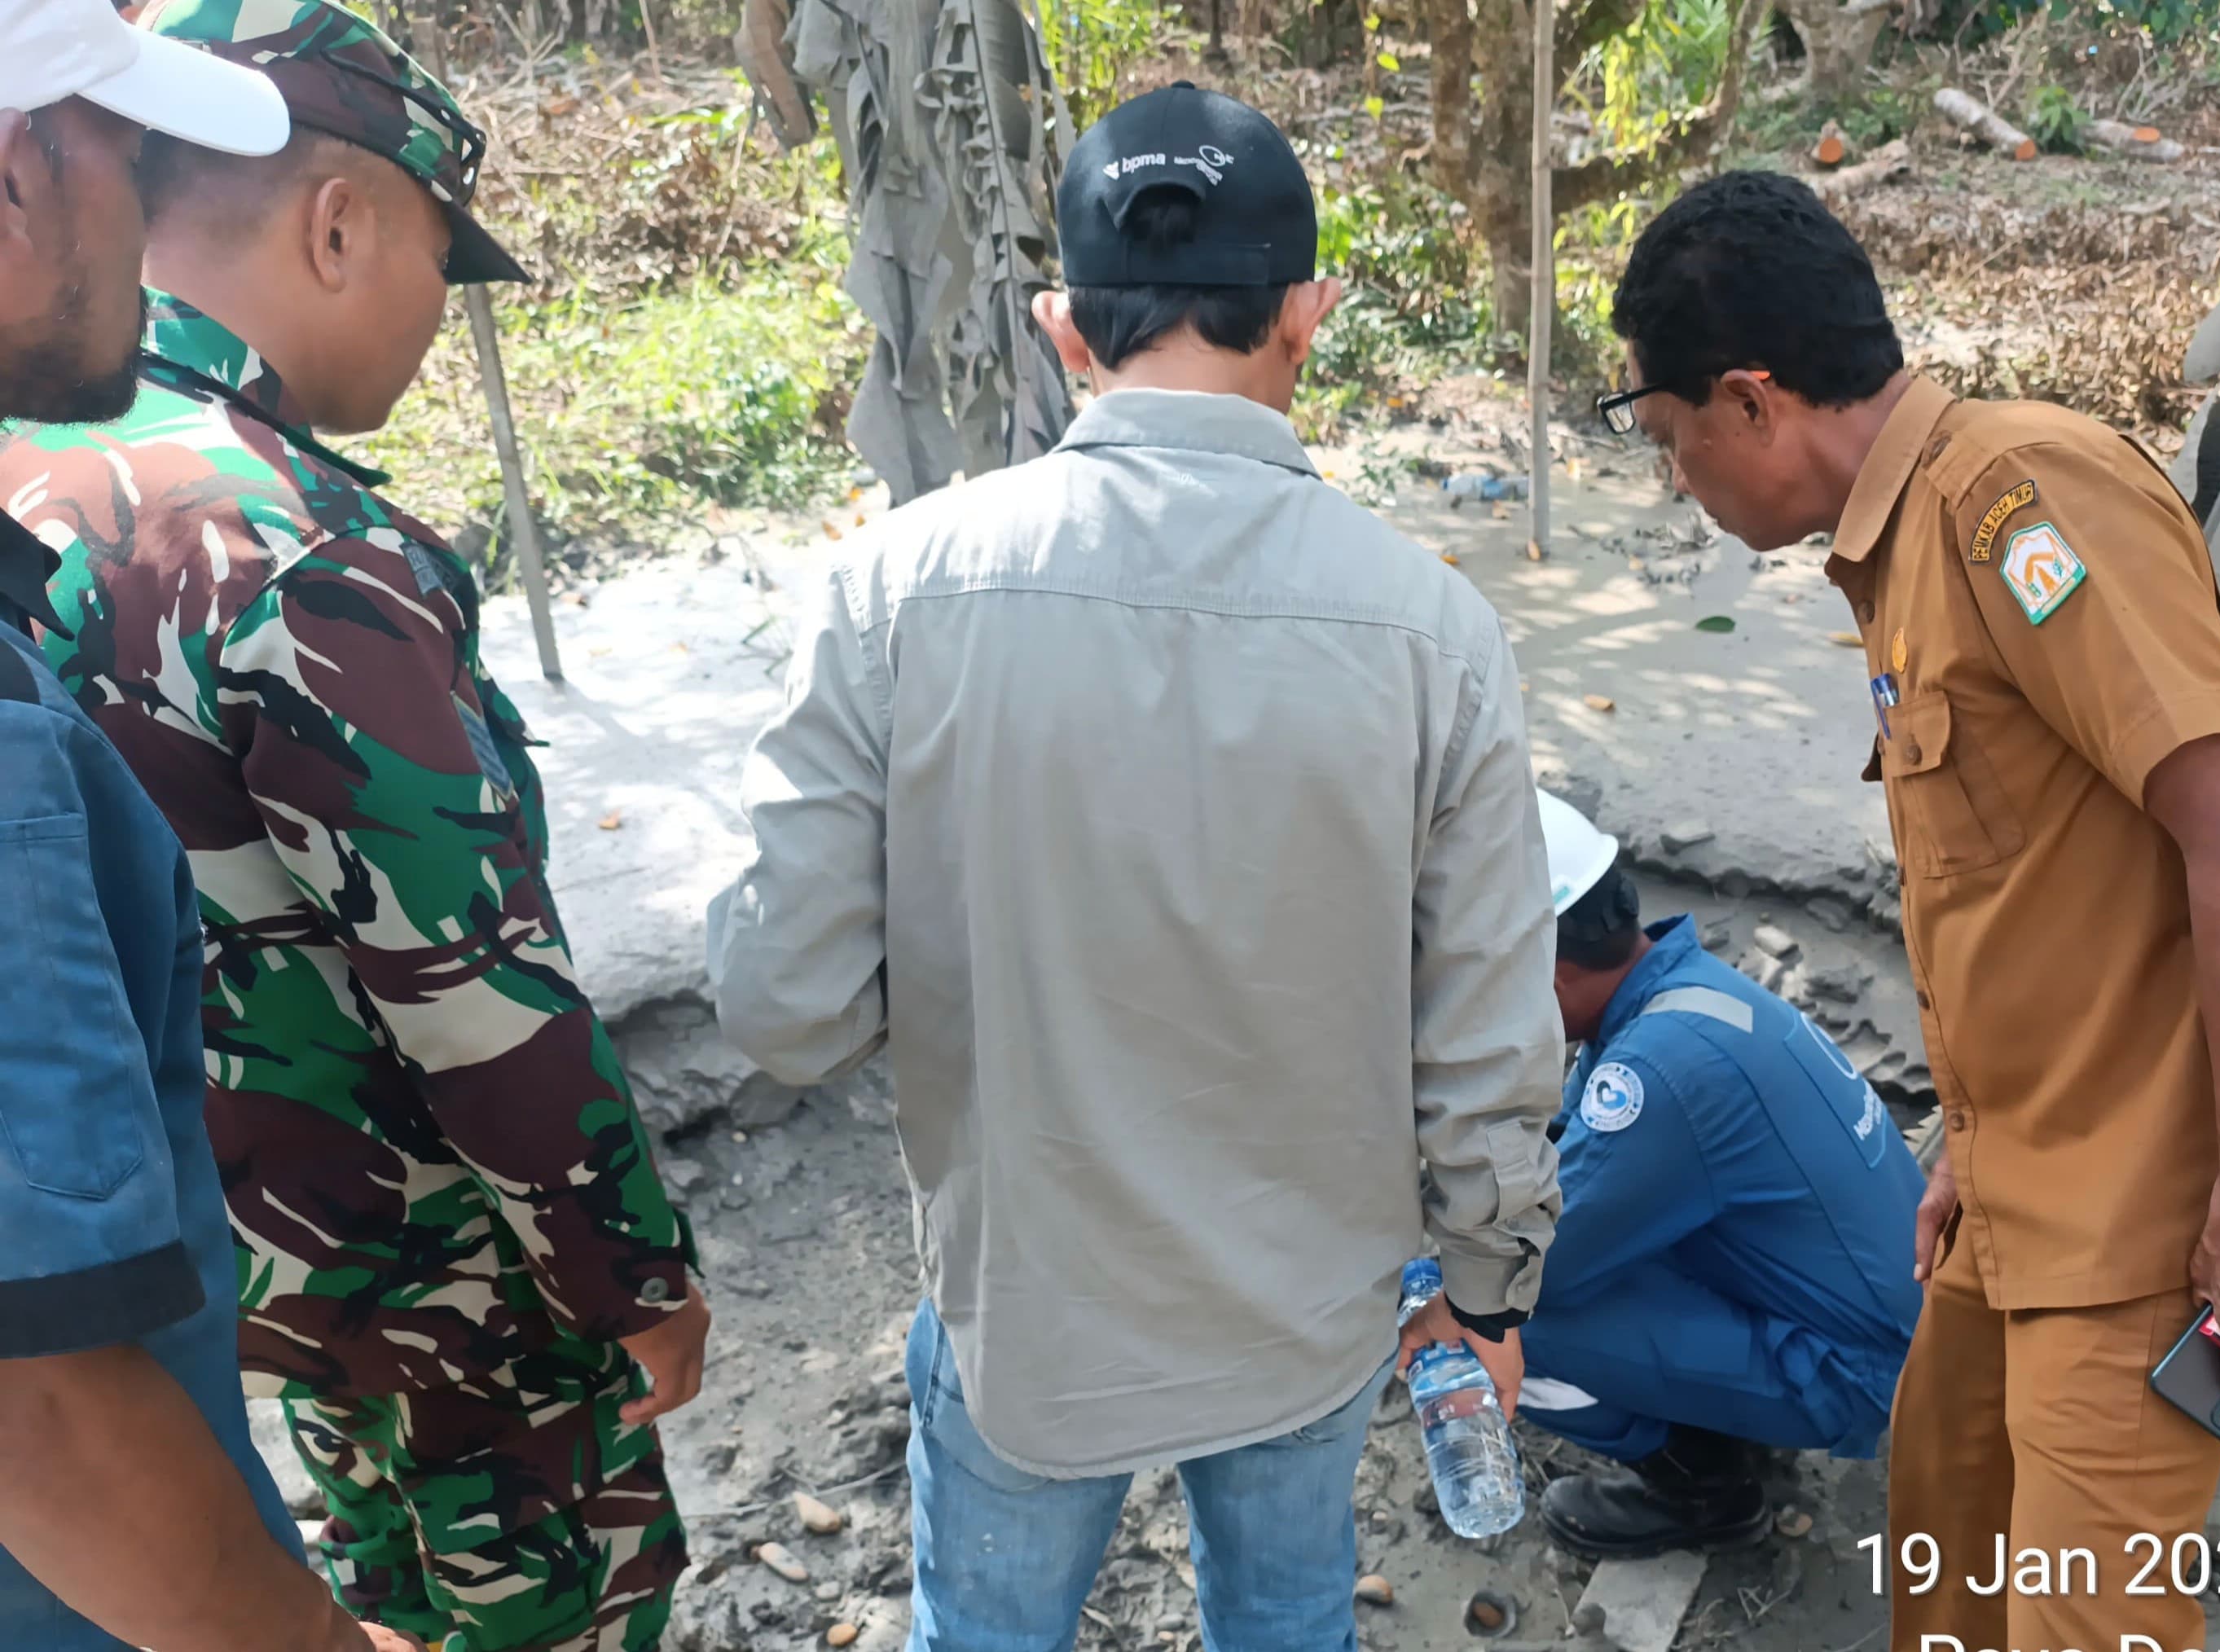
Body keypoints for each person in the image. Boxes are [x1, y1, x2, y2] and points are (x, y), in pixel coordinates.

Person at [710, 82, 1563, 1652]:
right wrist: (1489, 1288)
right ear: (1305, 315)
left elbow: (783, 1006)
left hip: (1028, 1314)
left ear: (1060, 325)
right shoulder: (1432, 630)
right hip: (1304, 1321)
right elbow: (1490, 1029)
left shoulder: (892, 589)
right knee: (1287, 1619)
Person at [1599, 170, 2220, 1652]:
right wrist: (1964, 1137)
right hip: (2014, 1187)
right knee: (1949, 1551)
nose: (1678, 483)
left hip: (2143, 1219)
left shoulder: (2014, 498)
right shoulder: (1901, 553)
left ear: (1750, 399)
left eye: (1669, 442)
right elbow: (2027, 886)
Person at [0, 5, 709, 1649]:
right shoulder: (301, 548)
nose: (435, 324)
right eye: (439, 270)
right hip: (453, 1306)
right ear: (339, 223)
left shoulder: (33, 464)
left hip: (259, 1299)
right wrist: (634, 1282)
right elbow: (472, 991)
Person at [0, 6, 420, 1652]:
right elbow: (39, 1403)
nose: (149, 218)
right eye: (128, 152)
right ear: (18, 180)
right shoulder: (325, 553)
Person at [1516, 791, 1923, 1558]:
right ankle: (1733, 1415)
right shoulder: (1685, 994)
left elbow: (1529, 1269)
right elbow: (1577, 1153)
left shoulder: (1657, 1077)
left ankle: (1706, 1493)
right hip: (1881, 1313)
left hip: (1856, 1369)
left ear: (1551, 968)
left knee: (1497, 1317)